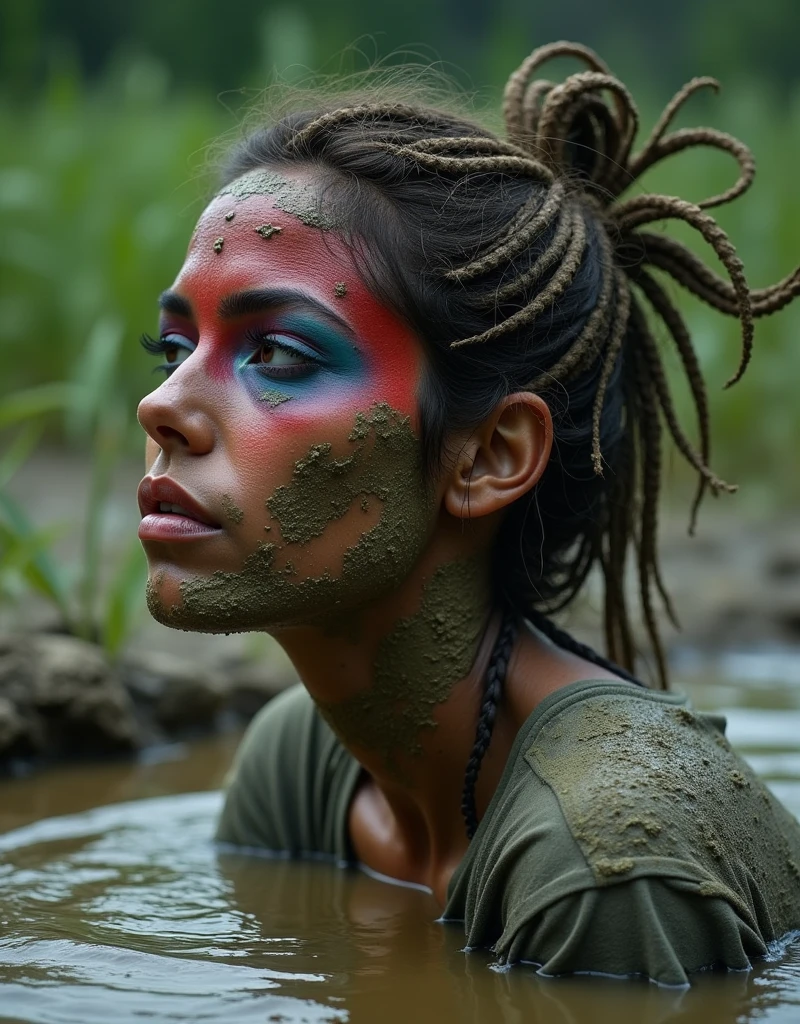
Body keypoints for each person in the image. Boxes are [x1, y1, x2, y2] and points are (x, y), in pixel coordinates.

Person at [136, 42, 800, 986]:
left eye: (277, 354)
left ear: (489, 456)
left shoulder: (608, 873)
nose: (161, 407)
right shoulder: (301, 767)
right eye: (173, 349)